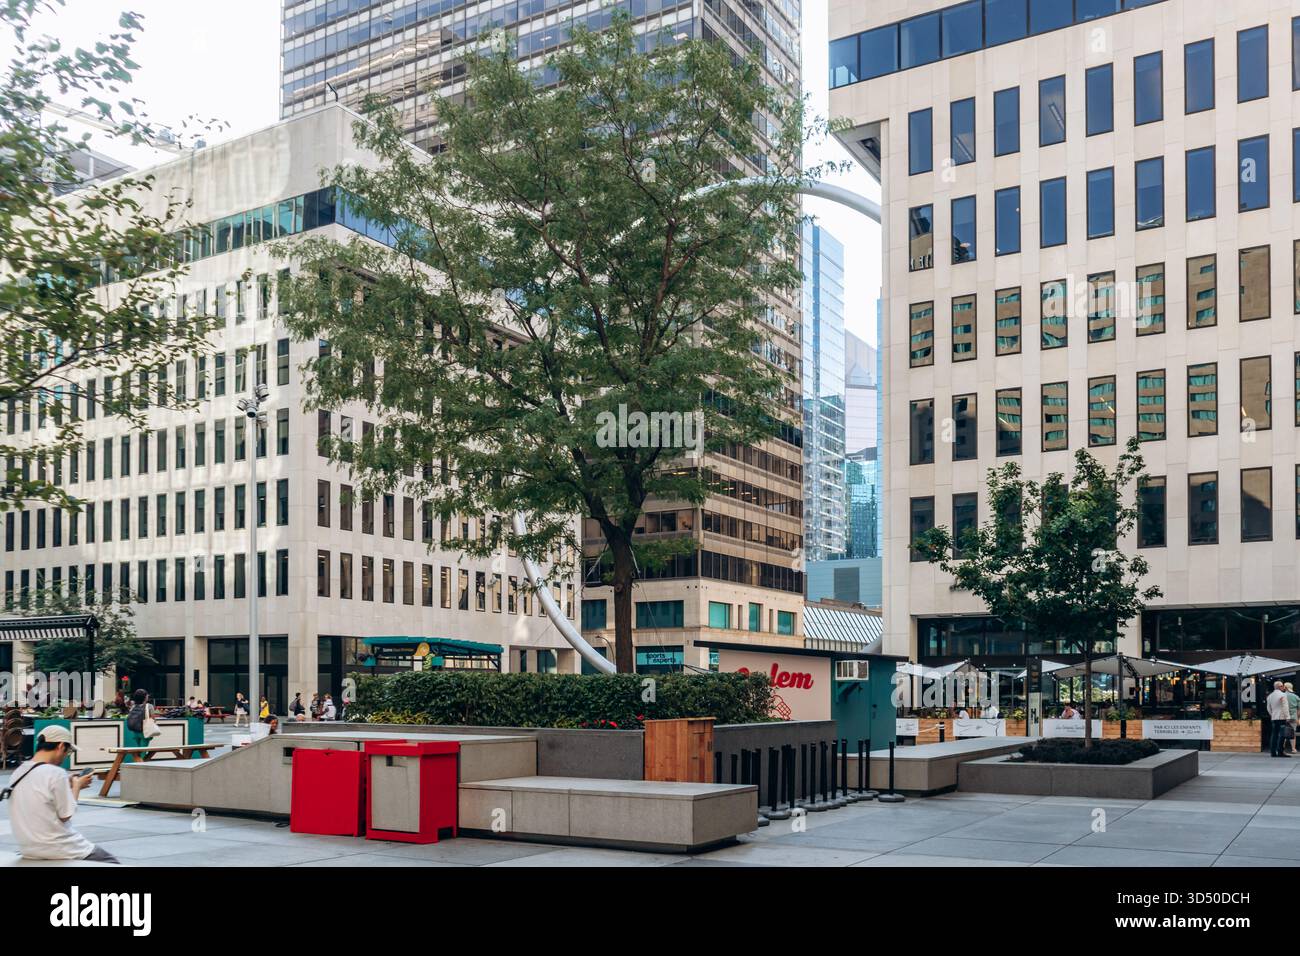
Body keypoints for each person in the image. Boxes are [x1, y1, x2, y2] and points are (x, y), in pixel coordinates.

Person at [1, 726, 120, 863]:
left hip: (29, 849)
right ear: (61, 746)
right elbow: (66, 815)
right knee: (112, 863)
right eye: (68, 752)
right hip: (61, 847)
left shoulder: (18, 772)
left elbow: (40, 795)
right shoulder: (56, 773)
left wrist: (66, 785)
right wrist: (77, 786)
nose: (65, 756)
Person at [1267, 681, 1291, 757]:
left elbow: (1268, 708)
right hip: (1281, 717)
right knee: (1282, 735)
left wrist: (1272, 714)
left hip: (1274, 717)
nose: (1283, 687)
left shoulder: (1270, 696)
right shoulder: (1283, 695)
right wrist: (1287, 717)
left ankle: (1273, 752)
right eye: (1282, 686)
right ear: (1279, 687)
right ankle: (1280, 751)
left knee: (1274, 735)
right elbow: (1285, 707)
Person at [1285, 682, 1299, 754]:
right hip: (1293, 717)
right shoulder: (1296, 697)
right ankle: (1293, 749)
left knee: (1283, 732)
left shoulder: (1283, 696)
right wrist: (1298, 718)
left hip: (1284, 717)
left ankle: (1281, 748)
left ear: (1286, 688)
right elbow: (1299, 709)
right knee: (1293, 733)